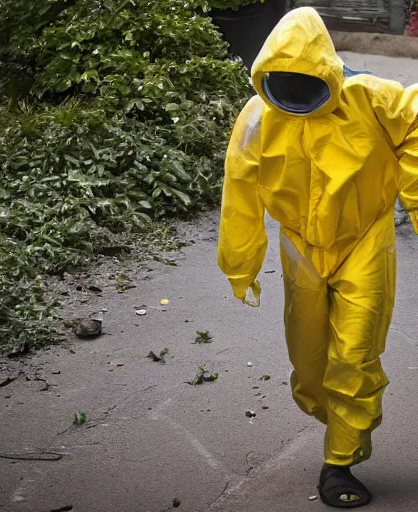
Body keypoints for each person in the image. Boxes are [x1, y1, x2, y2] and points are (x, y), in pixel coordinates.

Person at [217, 6, 418, 509]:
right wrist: (240, 263)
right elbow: (239, 193)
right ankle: (338, 416)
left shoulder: (373, 99)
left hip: (364, 239)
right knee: (309, 367)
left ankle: (340, 460)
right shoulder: (259, 116)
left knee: (353, 355)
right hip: (300, 245)